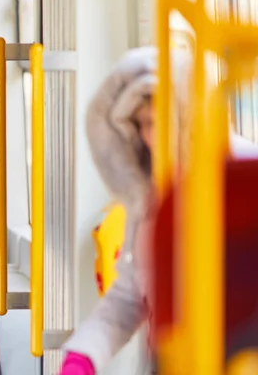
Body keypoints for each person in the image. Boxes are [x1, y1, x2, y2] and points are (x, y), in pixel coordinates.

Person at [57, 46, 258, 375]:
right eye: (143, 124)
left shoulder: (244, 179)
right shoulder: (153, 199)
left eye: (160, 121)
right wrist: (83, 357)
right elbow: (132, 294)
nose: (152, 136)